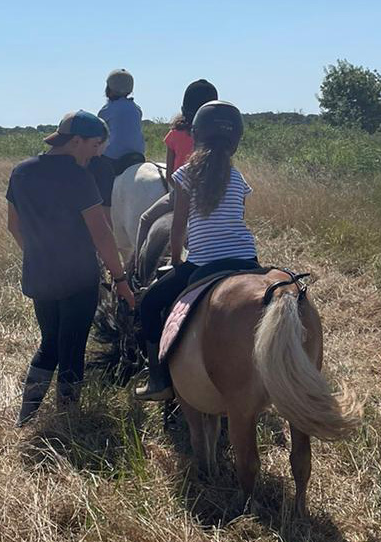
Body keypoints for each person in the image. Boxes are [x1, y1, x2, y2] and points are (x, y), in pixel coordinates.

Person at [6, 110, 136, 427]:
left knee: (49, 344)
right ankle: (67, 419)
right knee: (73, 347)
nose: (95, 155)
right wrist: (120, 279)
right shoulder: (78, 178)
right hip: (78, 277)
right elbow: (102, 234)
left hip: (40, 276)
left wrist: (38, 254)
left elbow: (13, 226)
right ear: (76, 141)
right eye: (93, 146)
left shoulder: (21, 172)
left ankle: (27, 417)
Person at [133, 100, 258, 401]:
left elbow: (178, 227)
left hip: (203, 263)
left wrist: (177, 261)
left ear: (197, 134)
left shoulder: (185, 174)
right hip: (247, 260)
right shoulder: (238, 177)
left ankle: (159, 381)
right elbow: (237, 220)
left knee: (150, 304)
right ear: (235, 140)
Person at [130, 78, 219, 264]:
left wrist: (181, 192)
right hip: (213, 194)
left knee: (145, 220)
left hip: (180, 194)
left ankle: (137, 270)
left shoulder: (175, 134)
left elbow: (171, 173)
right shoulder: (217, 135)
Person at [94, 68, 147, 223]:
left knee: (95, 176)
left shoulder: (106, 110)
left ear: (109, 88)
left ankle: (103, 212)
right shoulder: (136, 109)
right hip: (137, 156)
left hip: (113, 158)